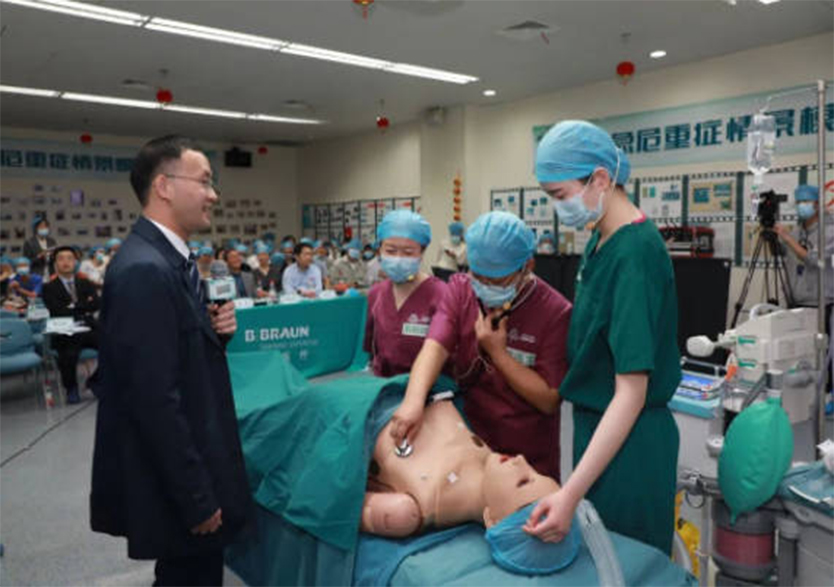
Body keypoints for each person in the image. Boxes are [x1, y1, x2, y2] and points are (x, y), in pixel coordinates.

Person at [90, 135, 253, 586]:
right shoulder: (145, 269)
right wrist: (196, 497)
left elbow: (173, 362)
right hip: (180, 483)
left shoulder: (171, 260)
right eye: (204, 182)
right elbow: (153, 399)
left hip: (193, 461)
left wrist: (213, 336)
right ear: (163, 186)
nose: (213, 195)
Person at [523, 120, 680, 555]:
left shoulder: (635, 253)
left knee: (628, 566)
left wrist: (569, 494)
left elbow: (631, 392)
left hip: (630, 446)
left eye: (560, 195)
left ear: (600, 179)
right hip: (598, 431)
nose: (558, 207)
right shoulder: (600, 240)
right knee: (598, 560)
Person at [390, 212, 571, 481]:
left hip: (526, 451)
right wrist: (413, 401)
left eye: (496, 280)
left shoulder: (554, 311)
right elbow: (435, 346)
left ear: (527, 266)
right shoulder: (462, 289)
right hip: (468, 437)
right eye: (478, 276)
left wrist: (499, 354)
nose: (484, 286)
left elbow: (548, 400)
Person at [364, 398, 560, 539]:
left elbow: (348, 503)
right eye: (536, 472)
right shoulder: (487, 460)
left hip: (360, 415)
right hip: (398, 387)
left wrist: (392, 515)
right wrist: (415, 395)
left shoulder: (410, 512)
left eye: (523, 482)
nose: (521, 460)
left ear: (493, 520)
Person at [364, 211, 449, 378]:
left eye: (408, 252)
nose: (398, 259)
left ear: (422, 252)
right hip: (385, 386)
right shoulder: (376, 294)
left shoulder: (441, 294)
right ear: (379, 250)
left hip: (432, 387)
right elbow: (372, 350)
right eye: (390, 251)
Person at [41, 246, 99, 404]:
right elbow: (57, 310)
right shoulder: (49, 288)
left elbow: (96, 304)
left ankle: (96, 380)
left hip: (88, 328)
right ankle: (71, 388)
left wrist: (73, 306)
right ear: (55, 264)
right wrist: (83, 306)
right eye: (61, 259)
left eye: (69, 258)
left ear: (75, 262)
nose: (65, 262)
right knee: (68, 354)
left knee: (114, 344)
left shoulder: (85, 283)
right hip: (65, 332)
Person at [775, 184, 834, 321]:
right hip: (794, 301)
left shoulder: (829, 231)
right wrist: (773, 238)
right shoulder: (797, 231)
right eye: (798, 202)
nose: (801, 206)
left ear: (817, 204)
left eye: (806, 202)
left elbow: (814, 260)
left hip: (819, 304)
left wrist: (787, 238)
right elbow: (785, 254)